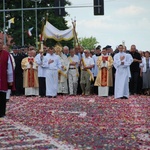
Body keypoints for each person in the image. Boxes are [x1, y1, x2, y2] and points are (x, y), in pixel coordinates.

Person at [0, 38, 14, 118]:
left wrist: (10, 80)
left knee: (2, 96)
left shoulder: (6, 54)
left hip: (2, 78)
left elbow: (9, 68)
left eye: (1, 43)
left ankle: (2, 112)